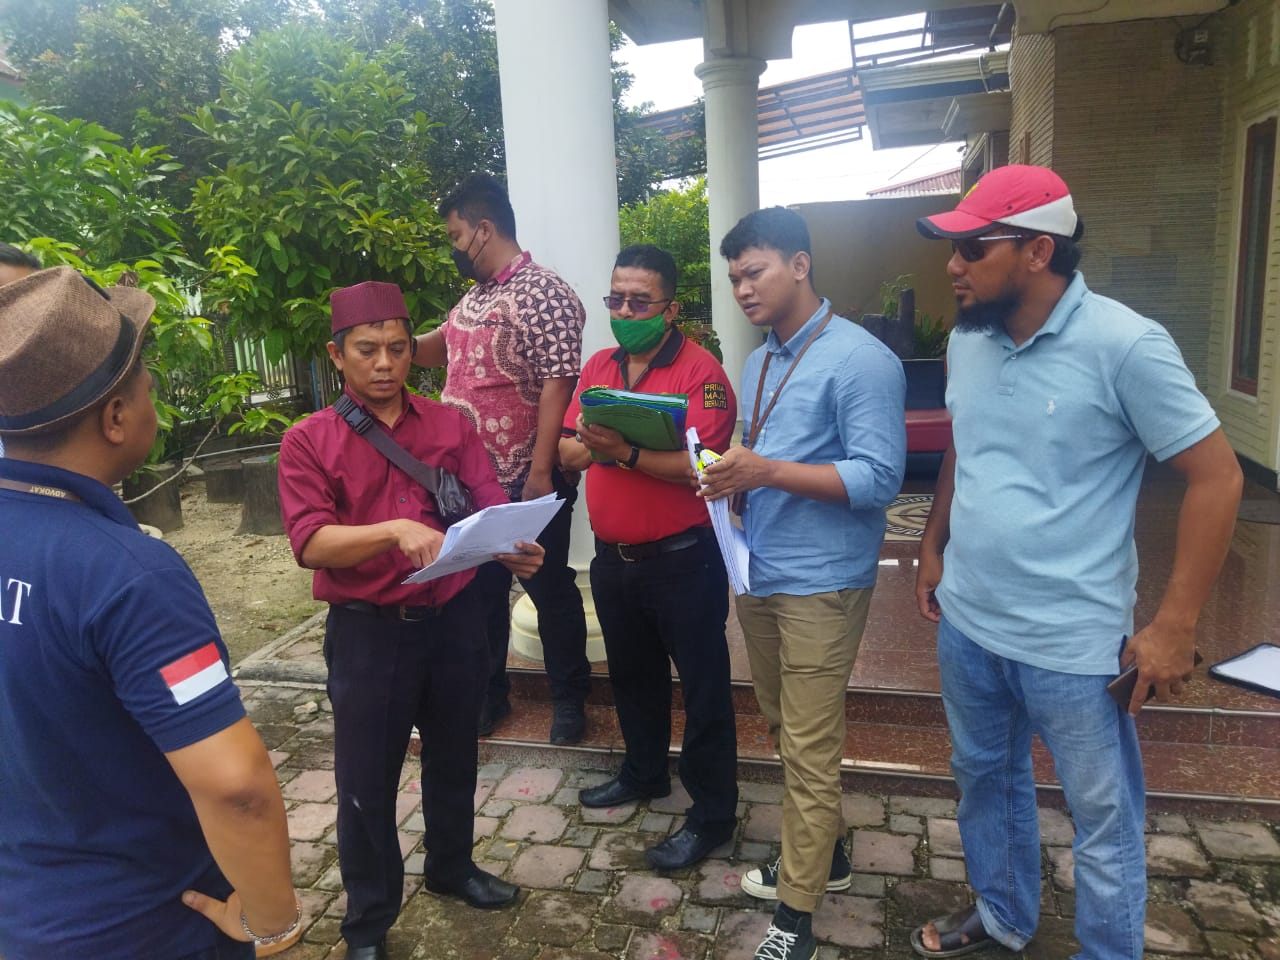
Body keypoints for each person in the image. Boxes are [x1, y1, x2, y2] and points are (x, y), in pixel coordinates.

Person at [911, 165, 1243, 960]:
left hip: (1073, 644)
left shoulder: (1126, 345)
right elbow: (966, 445)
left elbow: (1218, 477)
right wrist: (932, 544)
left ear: (1037, 250)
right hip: (970, 622)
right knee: (985, 778)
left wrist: (1174, 624)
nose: (953, 266)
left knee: (1102, 818)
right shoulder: (968, 340)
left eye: (972, 248)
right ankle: (1003, 915)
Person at [0, 267, 298, 960]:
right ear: (115, 418)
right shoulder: (129, 575)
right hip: (147, 927)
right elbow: (237, 787)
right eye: (147, 389)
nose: (153, 399)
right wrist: (273, 922)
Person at [278, 281, 543, 960]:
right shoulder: (309, 440)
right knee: (366, 780)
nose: (385, 363)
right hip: (369, 632)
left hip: (453, 621)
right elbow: (311, 542)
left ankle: (451, 867)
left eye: (398, 348)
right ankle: (368, 922)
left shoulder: (450, 425)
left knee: (454, 753)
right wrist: (392, 531)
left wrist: (513, 545)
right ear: (336, 355)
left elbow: (485, 501)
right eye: (367, 350)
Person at [700, 208, 906, 960]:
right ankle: (831, 856)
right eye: (734, 278)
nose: (742, 289)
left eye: (753, 272)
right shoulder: (758, 362)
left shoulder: (860, 360)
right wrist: (730, 477)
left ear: (799, 264)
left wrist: (765, 471)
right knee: (786, 728)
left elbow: (880, 478)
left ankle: (796, 918)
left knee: (811, 748)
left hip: (823, 583)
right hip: (760, 569)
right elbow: (762, 456)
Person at [560, 244, 740, 870]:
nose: (624, 311)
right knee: (633, 676)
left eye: (640, 301)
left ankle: (712, 814)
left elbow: (701, 467)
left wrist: (621, 452)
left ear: (670, 309)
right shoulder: (599, 367)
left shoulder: (701, 374)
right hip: (615, 560)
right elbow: (567, 451)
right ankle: (643, 773)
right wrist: (600, 448)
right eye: (616, 299)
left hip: (684, 560)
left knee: (704, 689)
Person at [414, 173, 590, 745]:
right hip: (470, 483)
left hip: (527, 480)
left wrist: (540, 472)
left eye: (455, 235)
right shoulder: (477, 295)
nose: (454, 247)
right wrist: (390, 341)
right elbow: (438, 346)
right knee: (480, 593)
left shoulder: (544, 292)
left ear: (483, 229)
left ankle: (570, 699)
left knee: (548, 587)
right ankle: (490, 696)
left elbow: (559, 382)